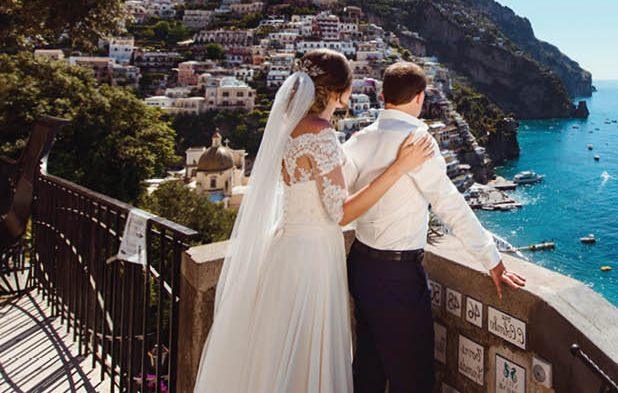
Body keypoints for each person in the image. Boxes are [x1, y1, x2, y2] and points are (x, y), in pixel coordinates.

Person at [194, 50, 433, 393]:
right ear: (340, 89)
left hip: (285, 249)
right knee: (308, 352)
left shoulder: (290, 128)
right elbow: (341, 214)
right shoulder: (320, 133)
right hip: (313, 257)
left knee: (279, 353)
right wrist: (399, 167)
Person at [342, 61, 527, 393]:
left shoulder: (359, 139)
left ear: (382, 96)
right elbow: (450, 205)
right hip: (397, 277)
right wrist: (492, 259)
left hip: (359, 264)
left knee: (368, 366)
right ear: (420, 98)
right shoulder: (418, 141)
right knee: (412, 377)